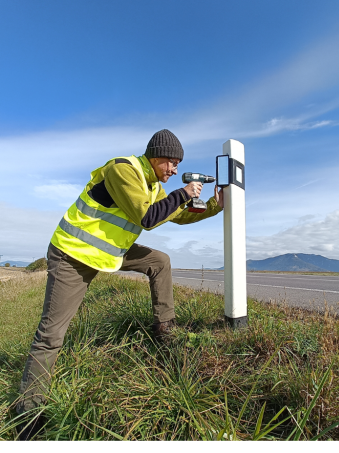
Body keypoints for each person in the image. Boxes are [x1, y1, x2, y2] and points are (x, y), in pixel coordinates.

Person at [16, 129, 223, 439]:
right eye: (171, 163)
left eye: (178, 165)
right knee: (51, 335)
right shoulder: (123, 170)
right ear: (156, 157)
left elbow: (176, 215)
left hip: (107, 252)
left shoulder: (152, 184)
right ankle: (28, 415)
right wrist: (183, 193)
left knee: (159, 261)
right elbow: (148, 218)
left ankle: (166, 332)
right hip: (73, 254)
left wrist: (214, 206)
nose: (175, 170)